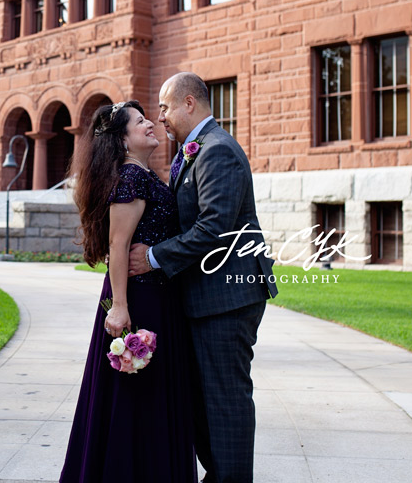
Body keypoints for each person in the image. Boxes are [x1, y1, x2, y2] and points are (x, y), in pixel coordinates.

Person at [128, 72, 279, 483]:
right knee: (204, 401)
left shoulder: (217, 151)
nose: (160, 117)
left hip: (227, 300)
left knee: (224, 400)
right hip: (206, 299)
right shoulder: (196, 150)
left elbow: (215, 228)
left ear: (188, 103)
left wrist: (155, 257)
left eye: (164, 107)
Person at [60, 100, 197, 482]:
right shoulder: (131, 178)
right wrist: (119, 308)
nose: (151, 124)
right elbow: (117, 246)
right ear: (122, 140)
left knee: (149, 398)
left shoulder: (145, 174)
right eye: (140, 122)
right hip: (138, 300)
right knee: (134, 399)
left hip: (157, 297)